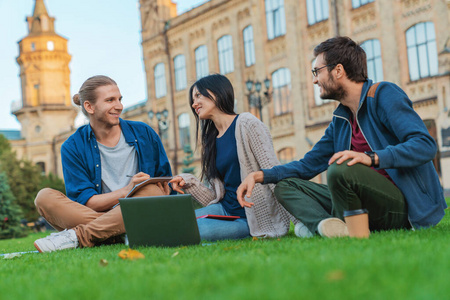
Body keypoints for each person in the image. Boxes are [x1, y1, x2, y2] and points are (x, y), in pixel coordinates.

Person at [237, 36, 447, 238]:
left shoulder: (383, 95)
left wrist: (372, 157)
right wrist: (259, 175)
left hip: (402, 207)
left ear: (338, 70)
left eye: (317, 71)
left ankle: (335, 225)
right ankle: (326, 226)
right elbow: (308, 165)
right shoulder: (341, 118)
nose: (314, 80)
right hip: (360, 204)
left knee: (341, 167)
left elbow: (425, 145)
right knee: (286, 186)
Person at [34, 75, 172, 252]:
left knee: (153, 190)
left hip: (138, 209)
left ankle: (79, 236)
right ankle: (122, 232)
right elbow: (88, 202)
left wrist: (166, 185)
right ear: (89, 107)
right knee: (44, 198)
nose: (119, 106)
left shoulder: (144, 133)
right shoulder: (73, 146)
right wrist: (128, 189)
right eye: (110, 100)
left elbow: (163, 186)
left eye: (119, 99)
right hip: (97, 214)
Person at [170, 74, 298, 241]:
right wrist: (189, 182)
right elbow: (216, 197)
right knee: (180, 223)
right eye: (192, 99)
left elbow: (273, 171)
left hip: (249, 219)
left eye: (198, 96)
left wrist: (301, 220)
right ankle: (137, 238)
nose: (194, 104)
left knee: (193, 230)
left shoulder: (247, 124)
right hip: (225, 209)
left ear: (216, 93)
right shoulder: (211, 140)